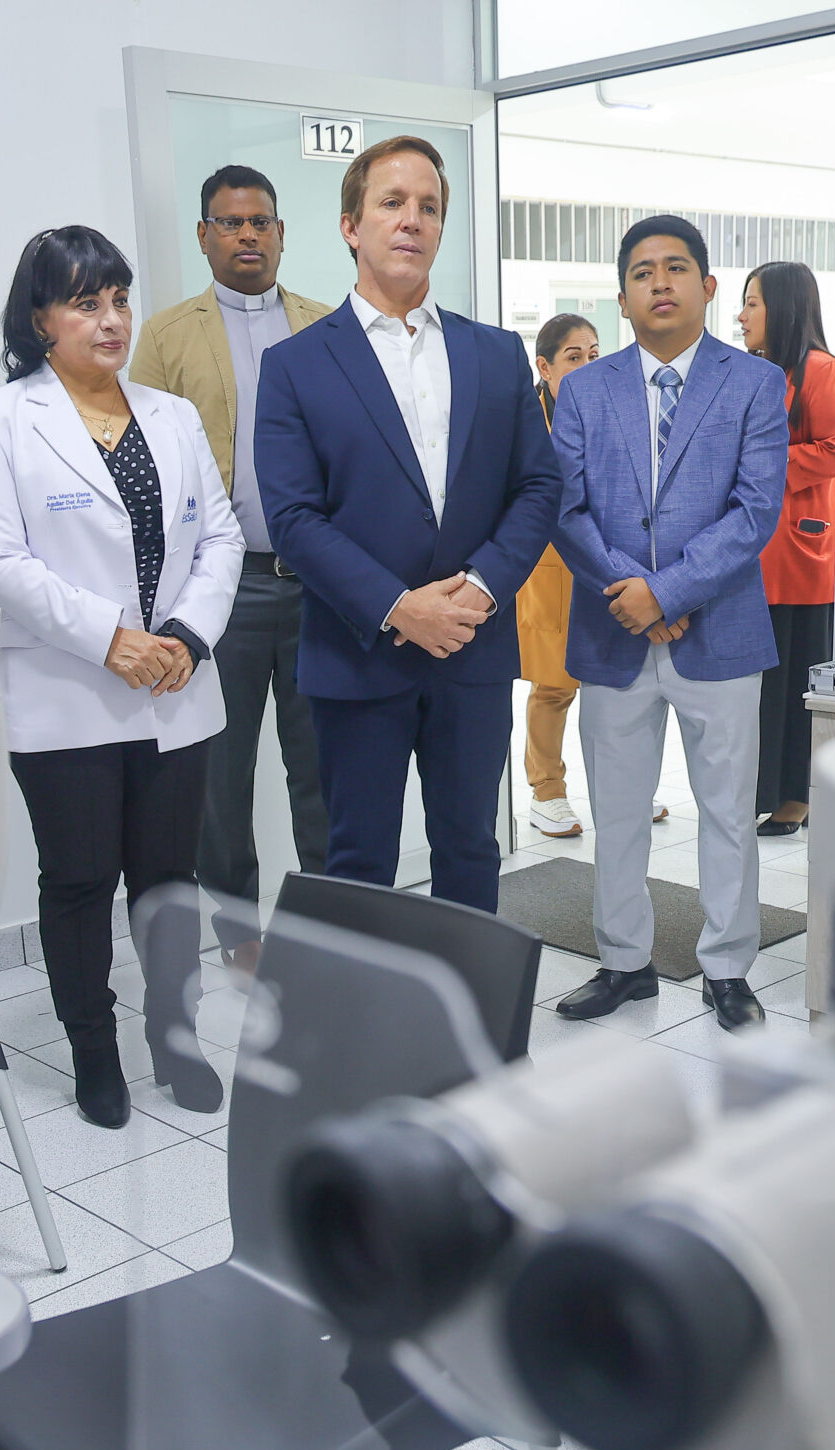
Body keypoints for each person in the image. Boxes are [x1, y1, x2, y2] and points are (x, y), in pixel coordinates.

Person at [0, 228, 243, 1129]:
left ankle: (175, 1034)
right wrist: (113, 639)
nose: (111, 318)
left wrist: (187, 636)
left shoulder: (172, 415)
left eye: (118, 297)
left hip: (175, 688)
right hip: (67, 697)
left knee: (167, 880)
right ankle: (94, 1050)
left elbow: (221, 536)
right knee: (79, 881)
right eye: (85, 301)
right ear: (40, 319)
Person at [254, 136, 561, 912]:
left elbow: (537, 485)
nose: (411, 220)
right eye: (392, 203)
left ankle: (471, 1030)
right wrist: (399, 606)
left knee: (471, 846)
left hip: (472, 646)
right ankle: (364, 1033)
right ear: (352, 225)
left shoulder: (495, 354)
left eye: (428, 207)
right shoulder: (294, 366)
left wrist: (481, 590)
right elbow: (293, 518)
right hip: (360, 653)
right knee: (358, 859)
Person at [548, 216, 787, 1032]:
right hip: (613, 629)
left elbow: (755, 512)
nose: (661, 282)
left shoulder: (755, 384)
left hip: (719, 630)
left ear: (708, 286)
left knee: (726, 808)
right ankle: (624, 962)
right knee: (617, 808)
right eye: (643, 272)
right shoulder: (583, 389)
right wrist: (632, 591)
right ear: (622, 298)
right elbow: (565, 506)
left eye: (677, 267)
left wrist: (669, 594)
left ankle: (726, 966)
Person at [132, 166, 336, 970]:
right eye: (230, 222)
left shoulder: (327, 326)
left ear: (282, 233)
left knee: (323, 760)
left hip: (321, 583)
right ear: (204, 235)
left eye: (260, 222)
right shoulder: (166, 335)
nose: (247, 235)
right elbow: (141, 462)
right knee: (223, 772)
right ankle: (237, 928)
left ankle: (327, 917)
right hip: (226, 588)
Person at [737, 261, 835, 835]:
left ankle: (796, 798)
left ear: (782, 306)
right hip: (753, 554)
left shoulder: (824, 371)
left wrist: (767, 465)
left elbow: (834, 447)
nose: (742, 315)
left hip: (799, 557)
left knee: (796, 679)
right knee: (762, 685)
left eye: (752, 303)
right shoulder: (754, 372)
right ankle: (765, 790)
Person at [518, 314, 594, 839]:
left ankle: (622, 785)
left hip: (601, 562)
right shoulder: (526, 421)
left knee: (616, 682)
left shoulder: (608, 412)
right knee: (554, 684)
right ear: (543, 367)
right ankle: (547, 791)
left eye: (594, 355)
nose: (588, 366)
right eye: (574, 357)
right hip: (547, 566)